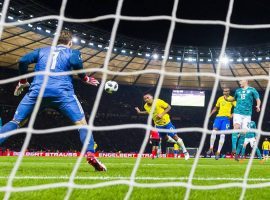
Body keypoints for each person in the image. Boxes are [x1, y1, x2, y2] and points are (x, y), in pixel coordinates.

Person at [0, 30, 106, 171]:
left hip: (37, 92)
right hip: (62, 94)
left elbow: (23, 60)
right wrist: (85, 78)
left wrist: (23, 80)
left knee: (16, 122)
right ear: (70, 43)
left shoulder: (43, 50)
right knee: (82, 125)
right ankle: (90, 154)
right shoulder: (72, 52)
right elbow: (75, 62)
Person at [135, 93, 189, 160]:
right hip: (158, 125)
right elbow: (148, 112)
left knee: (175, 136)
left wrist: (162, 114)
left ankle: (185, 152)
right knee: (165, 139)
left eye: (147, 97)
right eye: (145, 99)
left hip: (166, 123)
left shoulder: (158, 101)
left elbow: (169, 107)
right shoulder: (145, 106)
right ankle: (177, 142)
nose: (146, 99)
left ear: (152, 97)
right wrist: (140, 112)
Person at [224, 80, 261, 157]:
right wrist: (227, 99)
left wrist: (258, 106)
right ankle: (234, 148)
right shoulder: (238, 90)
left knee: (243, 133)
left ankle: (237, 153)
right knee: (236, 127)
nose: (240, 82)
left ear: (246, 82)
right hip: (238, 112)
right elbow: (234, 99)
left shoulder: (252, 90)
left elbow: (258, 99)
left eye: (241, 81)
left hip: (247, 114)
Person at [207, 88, 236, 160]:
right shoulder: (220, 98)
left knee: (222, 135)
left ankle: (218, 152)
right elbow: (216, 108)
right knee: (214, 131)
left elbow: (237, 108)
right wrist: (210, 114)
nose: (224, 92)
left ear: (229, 92)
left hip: (226, 119)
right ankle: (211, 148)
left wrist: (232, 115)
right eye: (224, 91)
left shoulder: (232, 99)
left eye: (226, 91)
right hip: (218, 118)